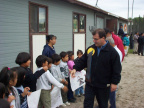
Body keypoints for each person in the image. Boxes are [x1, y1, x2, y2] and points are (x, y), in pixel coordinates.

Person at [71, 29, 122, 108]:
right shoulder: (91, 49)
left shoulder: (112, 52)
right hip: (90, 83)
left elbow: (117, 69)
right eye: (93, 39)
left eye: (96, 39)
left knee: (103, 105)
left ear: (103, 38)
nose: (94, 41)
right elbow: (83, 61)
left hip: (103, 85)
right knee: (87, 104)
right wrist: (75, 68)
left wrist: (114, 82)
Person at [106, 37, 122, 108]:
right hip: (112, 73)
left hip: (113, 73)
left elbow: (117, 65)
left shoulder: (115, 51)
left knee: (112, 91)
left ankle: (112, 106)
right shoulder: (116, 50)